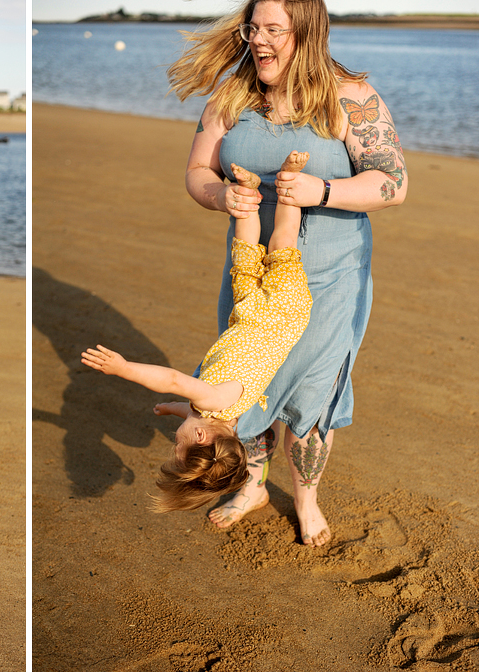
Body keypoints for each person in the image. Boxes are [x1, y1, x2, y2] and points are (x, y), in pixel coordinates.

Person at [167, 0, 407, 546]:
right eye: (254, 27)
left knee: (313, 396)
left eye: (275, 29)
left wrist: (322, 190)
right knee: (245, 390)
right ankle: (252, 485)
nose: (259, 40)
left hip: (329, 280)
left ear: (308, 32)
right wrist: (219, 194)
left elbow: (393, 182)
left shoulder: (351, 98)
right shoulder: (232, 95)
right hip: (251, 279)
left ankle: (305, 500)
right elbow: (197, 170)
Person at [83, 152, 312, 512]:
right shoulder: (212, 402)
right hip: (282, 311)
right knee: (283, 243)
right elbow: (175, 381)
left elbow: (187, 406)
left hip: (249, 316)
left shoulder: (226, 420)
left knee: (246, 255)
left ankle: (249, 193)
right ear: (202, 436)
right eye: (179, 446)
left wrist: (170, 410)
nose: (175, 443)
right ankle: (288, 181)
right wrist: (123, 369)